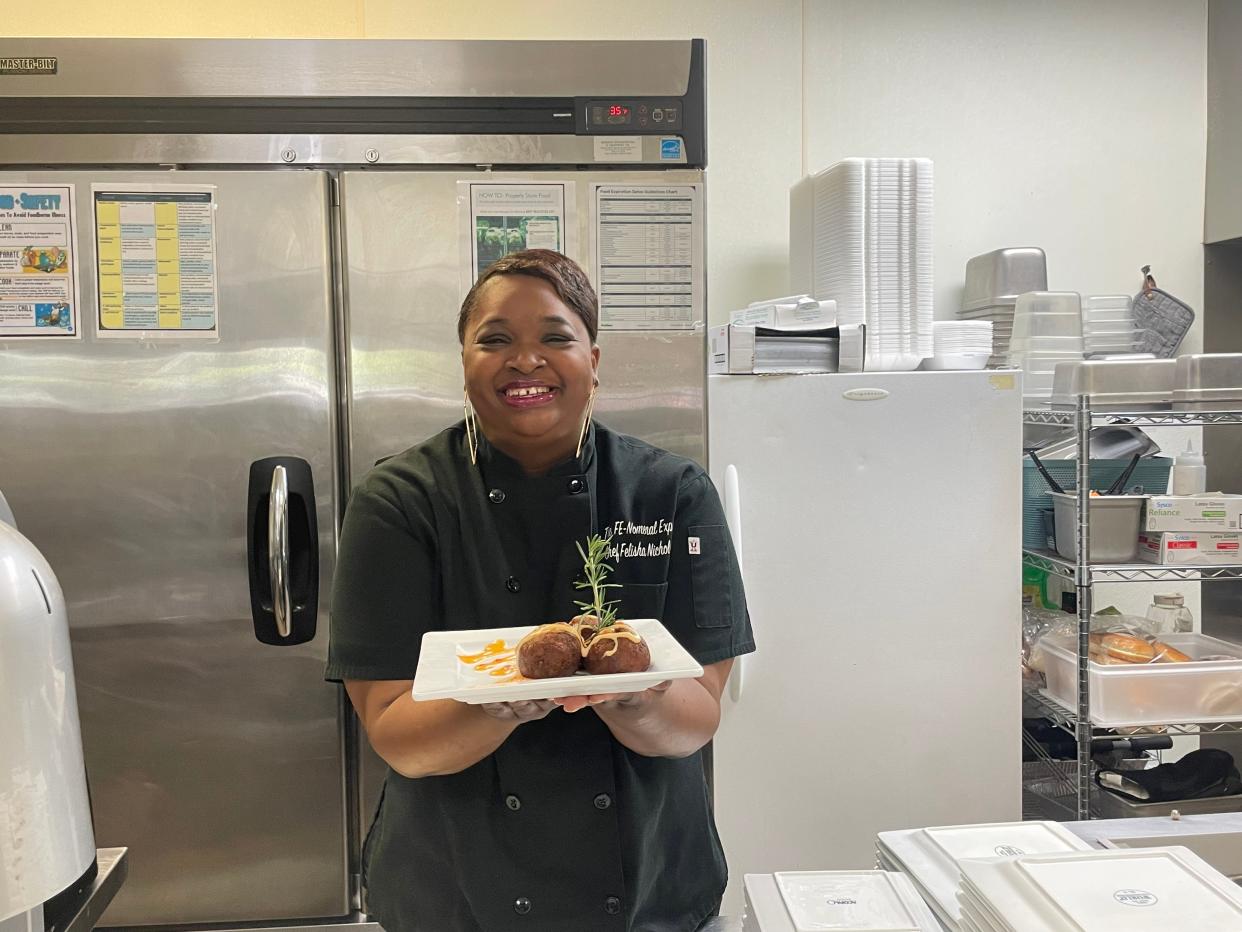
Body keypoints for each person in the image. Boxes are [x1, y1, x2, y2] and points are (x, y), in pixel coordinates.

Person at [327, 249, 754, 932]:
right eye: (495, 340)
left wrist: (632, 694)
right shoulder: (400, 502)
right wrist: (503, 703)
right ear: (464, 363)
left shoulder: (671, 492)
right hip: (453, 889)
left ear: (594, 359)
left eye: (555, 337)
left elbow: (697, 716)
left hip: (648, 888)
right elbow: (395, 731)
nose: (525, 360)